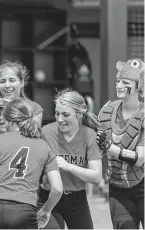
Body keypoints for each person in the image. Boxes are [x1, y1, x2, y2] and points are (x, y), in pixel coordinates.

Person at [0, 99, 63, 229]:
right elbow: (57, 189)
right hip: (25, 210)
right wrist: (46, 210)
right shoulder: (44, 146)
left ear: (9, 120)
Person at [38, 88, 102, 229]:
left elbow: (97, 177)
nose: (60, 119)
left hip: (77, 198)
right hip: (49, 197)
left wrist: (68, 166)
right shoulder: (46, 133)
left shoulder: (89, 135)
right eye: (57, 113)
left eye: (65, 114)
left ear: (79, 114)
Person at [96, 59, 144, 229]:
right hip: (118, 187)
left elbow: (139, 159)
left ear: (139, 85)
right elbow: (96, 151)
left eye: (125, 82)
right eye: (118, 81)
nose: (119, 85)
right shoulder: (107, 111)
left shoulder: (143, 114)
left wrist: (109, 146)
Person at [0, 61, 44, 136]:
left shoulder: (35, 109)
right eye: (2, 81)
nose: (7, 85)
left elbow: (34, 138)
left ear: (22, 82)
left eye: (12, 80)